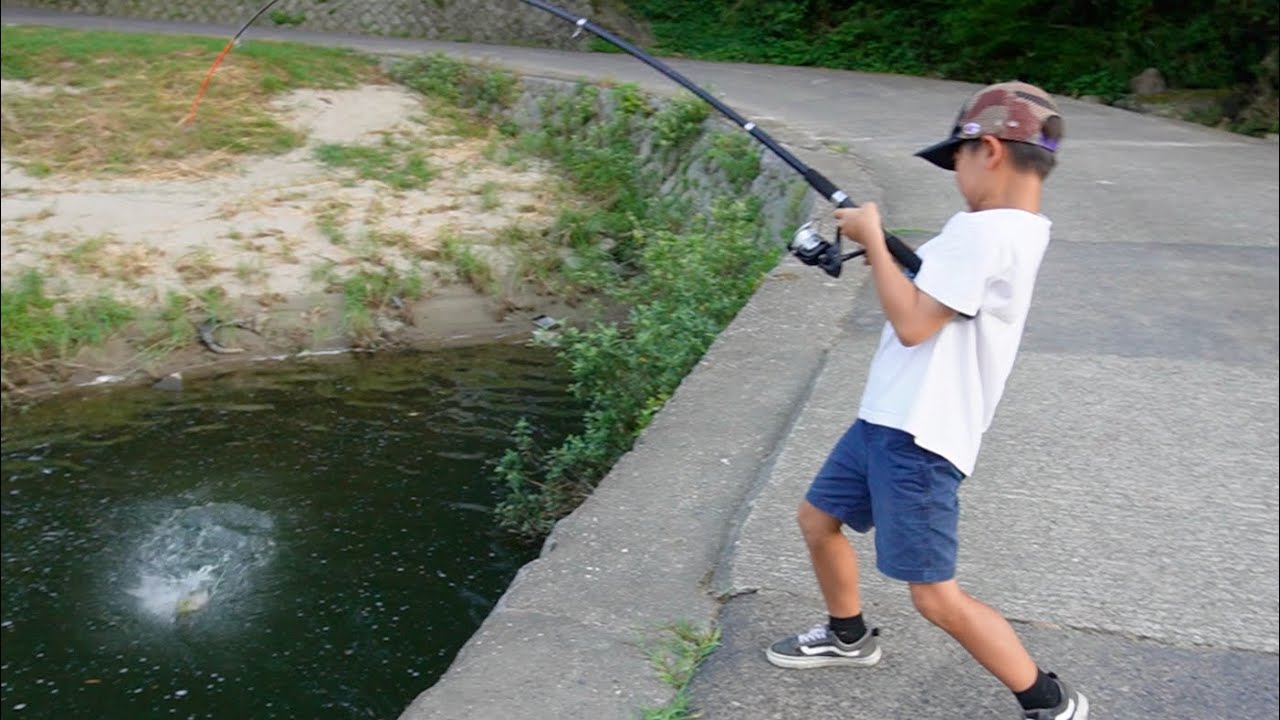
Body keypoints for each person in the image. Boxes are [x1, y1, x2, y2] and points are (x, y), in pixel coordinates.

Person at [765, 81, 1087, 720]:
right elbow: (939, 302)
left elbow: (913, 324)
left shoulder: (987, 234)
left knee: (935, 596)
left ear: (989, 150)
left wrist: (873, 235)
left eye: (957, 159)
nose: (955, 175)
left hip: (919, 435)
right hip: (888, 417)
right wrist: (894, 261)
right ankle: (847, 635)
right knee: (817, 518)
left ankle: (1049, 701)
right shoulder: (1013, 230)